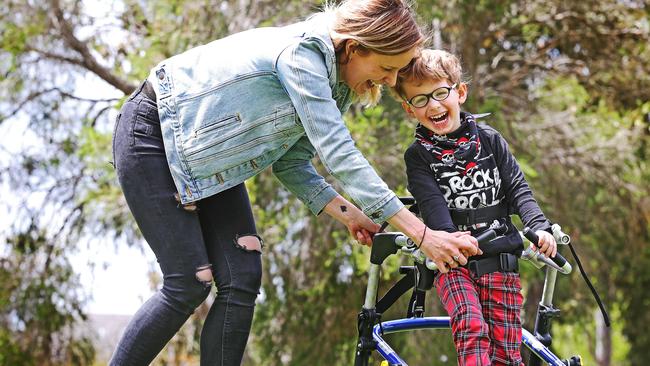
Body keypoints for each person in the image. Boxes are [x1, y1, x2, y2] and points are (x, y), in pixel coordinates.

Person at [110, 1, 481, 364]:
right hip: (154, 136)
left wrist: (352, 216)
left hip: (213, 163)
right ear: (353, 47)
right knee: (190, 281)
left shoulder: (338, 86)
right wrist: (424, 235)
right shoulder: (303, 55)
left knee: (243, 276)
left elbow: (292, 163)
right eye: (386, 68)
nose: (388, 81)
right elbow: (340, 155)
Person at [393, 49, 557, 365]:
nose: (434, 105)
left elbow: (518, 190)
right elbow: (434, 209)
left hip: (500, 260)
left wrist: (537, 226)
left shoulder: (490, 140)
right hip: (454, 262)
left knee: (507, 353)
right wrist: (453, 240)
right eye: (420, 100)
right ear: (409, 109)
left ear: (461, 93)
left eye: (441, 93)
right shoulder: (418, 157)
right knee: (470, 322)